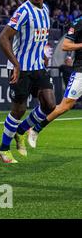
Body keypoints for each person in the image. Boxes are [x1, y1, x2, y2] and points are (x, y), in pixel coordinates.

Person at [0, 0, 56, 164]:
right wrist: (15, 63)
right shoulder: (23, 11)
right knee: (19, 109)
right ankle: (3, 150)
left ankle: (21, 131)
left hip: (38, 66)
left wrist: (44, 54)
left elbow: (41, 37)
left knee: (49, 105)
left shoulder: (45, 9)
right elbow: (2, 38)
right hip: (20, 68)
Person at [27, 16, 82, 147]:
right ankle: (35, 129)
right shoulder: (79, 23)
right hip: (80, 70)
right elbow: (65, 45)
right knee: (65, 106)